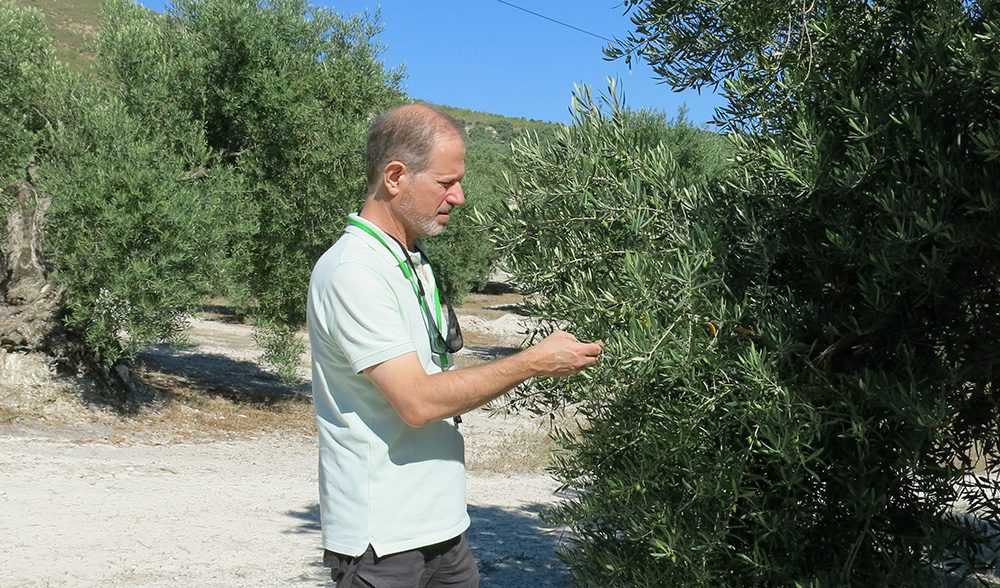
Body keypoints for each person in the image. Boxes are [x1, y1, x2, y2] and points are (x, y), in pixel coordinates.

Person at [307, 104, 604, 587]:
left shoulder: (409, 258)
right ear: (396, 177)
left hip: (442, 529)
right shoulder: (354, 271)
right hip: (384, 539)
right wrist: (531, 362)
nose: (459, 197)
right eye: (446, 182)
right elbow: (418, 401)